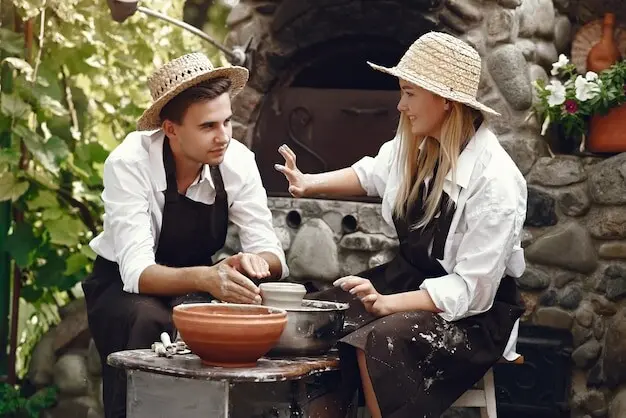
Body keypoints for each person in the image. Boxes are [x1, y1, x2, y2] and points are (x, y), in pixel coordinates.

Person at [275, 32, 527, 418]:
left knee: (379, 340)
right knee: (320, 319)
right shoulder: (418, 144)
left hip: (474, 316)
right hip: (407, 280)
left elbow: (472, 291)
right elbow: (371, 173)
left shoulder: (496, 182)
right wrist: (308, 183)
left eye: (409, 93)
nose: (400, 105)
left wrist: (387, 304)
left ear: (445, 100)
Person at [82, 52, 289, 418]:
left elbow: (273, 255)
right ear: (171, 129)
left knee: (229, 324)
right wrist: (208, 278)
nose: (223, 137)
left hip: (196, 283)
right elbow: (136, 273)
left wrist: (253, 263)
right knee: (147, 321)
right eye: (208, 126)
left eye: (227, 122)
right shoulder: (129, 163)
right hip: (122, 287)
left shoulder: (238, 161)